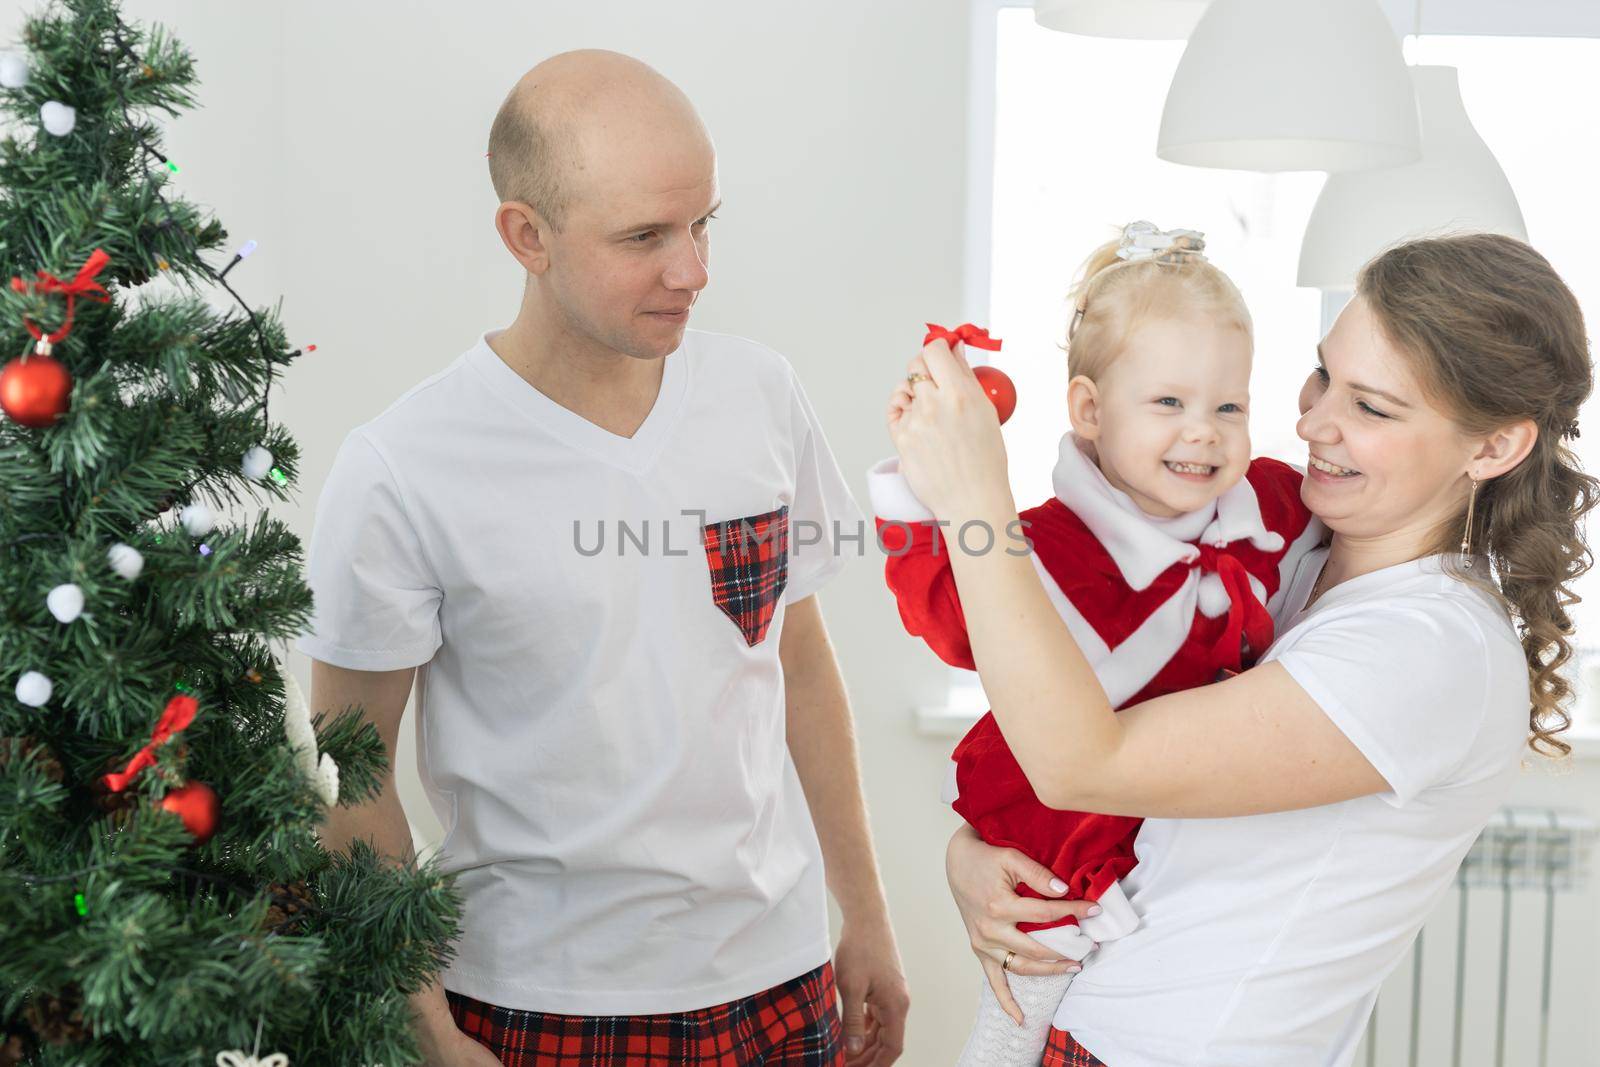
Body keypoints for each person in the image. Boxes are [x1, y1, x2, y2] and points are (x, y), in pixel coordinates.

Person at [298, 49, 909, 1067]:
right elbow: (348, 769)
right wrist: (425, 1023)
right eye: (645, 237)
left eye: (704, 221)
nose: (693, 270)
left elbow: (797, 665)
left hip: (780, 980)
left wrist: (868, 911)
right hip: (535, 1004)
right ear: (526, 236)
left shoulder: (760, 393)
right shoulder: (402, 466)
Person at [888, 232, 1593, 1066]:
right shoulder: (1277, 547)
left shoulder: (1433, 648)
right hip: (1088, 1023)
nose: (1311, 421)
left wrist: (975, 499)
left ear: (1493, 446)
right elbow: (1118, 750)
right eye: (1324, 374)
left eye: (1371, 408)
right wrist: (977, 851)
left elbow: (1088, 759)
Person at [870, 222, 1319, 1063]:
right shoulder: (1044, 542)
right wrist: (931, 487)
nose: (1204, 432)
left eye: (1230, 406)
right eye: (1168, 403)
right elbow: (953, 620)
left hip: (1180, 816)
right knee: (1024, 998)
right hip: (1064, 818)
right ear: (1088, 409)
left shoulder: (1263, 502)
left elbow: (1333, 522)